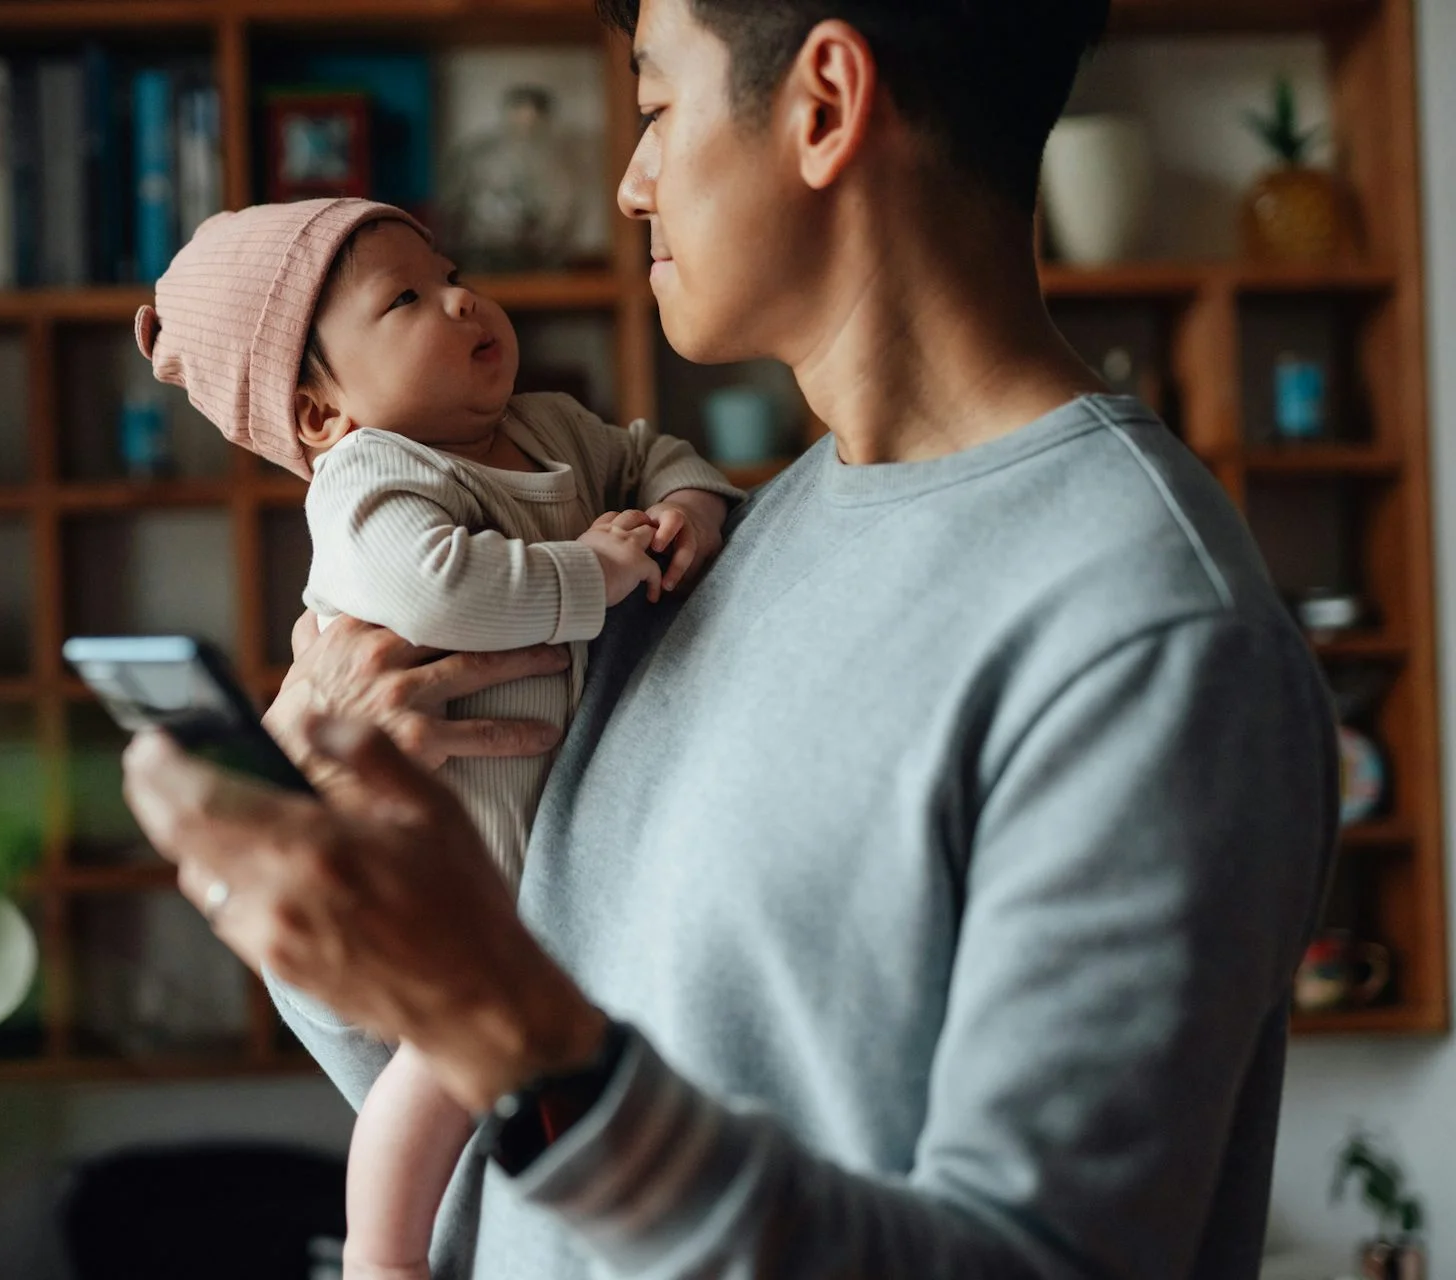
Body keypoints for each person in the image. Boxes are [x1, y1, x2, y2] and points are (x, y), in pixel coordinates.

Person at [121, 0, 1340, 1274]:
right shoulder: (705, 554)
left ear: (822, 104)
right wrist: (331, 881)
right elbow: (504, 1126)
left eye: (654, 106)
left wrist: (525, 1036)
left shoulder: (1152, 639)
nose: (629, 182)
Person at [131, 196, 742, 1279]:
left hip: (546, 866)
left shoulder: (553, 427)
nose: (460, 296)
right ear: (321, 416)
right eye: (404, 298)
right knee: (435, 1070)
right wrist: (595, 573)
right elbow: (445, 589)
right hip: (443, 865)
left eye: (450, 270)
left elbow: (650, 453)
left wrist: (689, 501)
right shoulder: (369, 482)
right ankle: (383, 1253)